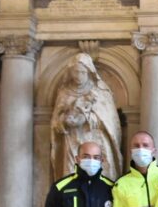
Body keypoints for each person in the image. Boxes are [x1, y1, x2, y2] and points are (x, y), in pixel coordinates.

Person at [51, 53, 123, 181]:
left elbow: (110, 120)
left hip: (96, 138)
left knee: (101, 178)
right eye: (76, 72)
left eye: (82, 72)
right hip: (72, 140)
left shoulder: (100, 91)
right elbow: (56, 120)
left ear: (89, 72)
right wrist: (64, 121)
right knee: (71, 176)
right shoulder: (64, 92)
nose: (79, 76)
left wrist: (88, 118)